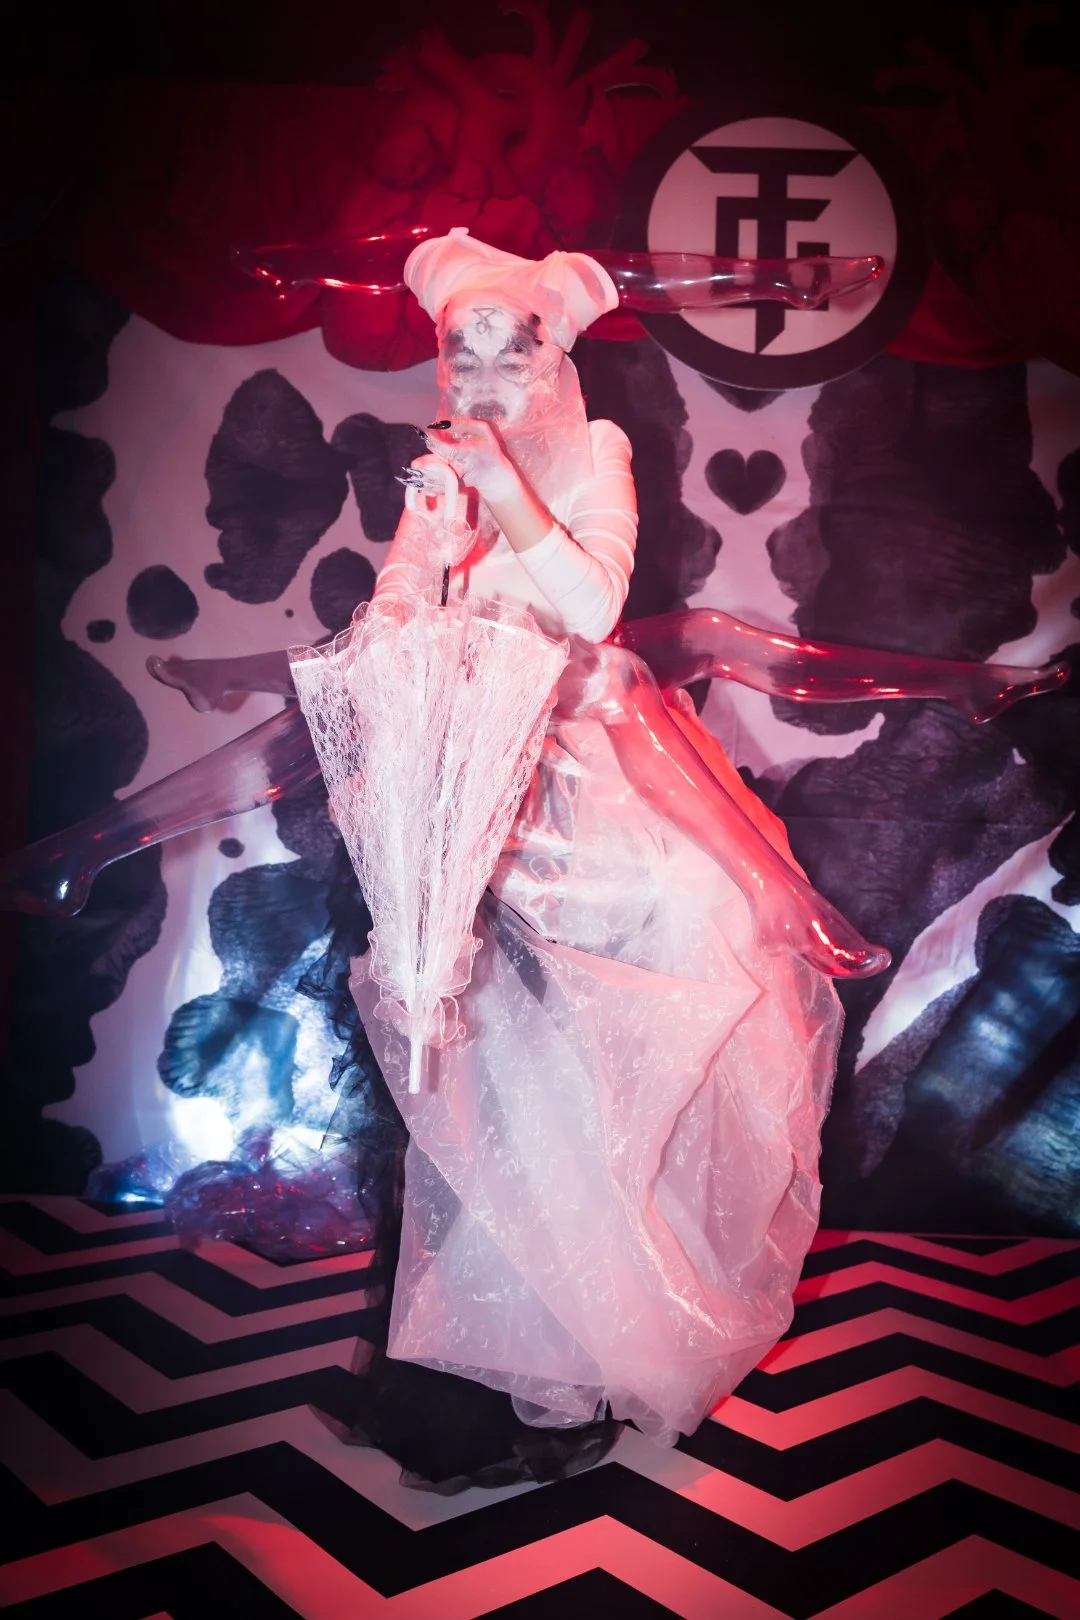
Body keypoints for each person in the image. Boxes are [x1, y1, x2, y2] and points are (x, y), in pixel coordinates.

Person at [0, 228, 1066, 1490]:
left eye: (518, 341)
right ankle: (474, 1371)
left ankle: (585, 1359)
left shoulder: (595, 453)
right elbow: (394, 614)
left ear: (557, 355)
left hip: (579, 803)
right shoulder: (437, 471)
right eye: (466, 345)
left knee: (587, 1093)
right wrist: (431, 561)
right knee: (472, 1101)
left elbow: (586, 604)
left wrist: (503, 498)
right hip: (460, 803)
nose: (489, 366)